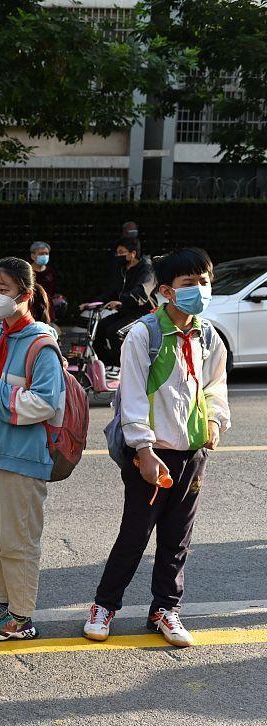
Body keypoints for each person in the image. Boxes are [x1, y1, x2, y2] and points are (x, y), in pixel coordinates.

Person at [83, 248, 230, 648]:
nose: (200, 290)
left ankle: (166, 609)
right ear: (166, 290)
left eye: (204, 282)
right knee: (135, 534)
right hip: (150, 454)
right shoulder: (144, 335)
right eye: (189, 284)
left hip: (192, 454)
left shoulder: (208, 335)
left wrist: (215, 423)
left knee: (177, 538)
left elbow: (216, 386)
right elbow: (129, 396)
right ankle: (104, 606)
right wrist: (144, 451)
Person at [0, 257, 64, 642]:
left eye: (3, 290)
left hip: (23, 458)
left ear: (24, 295)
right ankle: (3, 603)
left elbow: (43, 404)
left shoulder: (42, 344)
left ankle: (20, 616)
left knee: (18, 541)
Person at [83, 237, 155, 368]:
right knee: (98, 328)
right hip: (125, 312)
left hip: (144, 314)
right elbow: (111, 291)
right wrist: (91, 304)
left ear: (133, 253)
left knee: (116, 332)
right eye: (117, 253)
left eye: (122, 252)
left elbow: (141, 293)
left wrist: (121, 302)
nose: (118, 256)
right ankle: (109, 365)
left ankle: (126, 368)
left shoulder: (147, 269)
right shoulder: (122, 270)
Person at [29, 242, 66, 323]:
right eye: (41, 254)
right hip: (32, 305)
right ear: (33, 256)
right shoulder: (28, 271)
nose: (44, 256)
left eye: (46, 253)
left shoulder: (50, 272)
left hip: (48, 306)